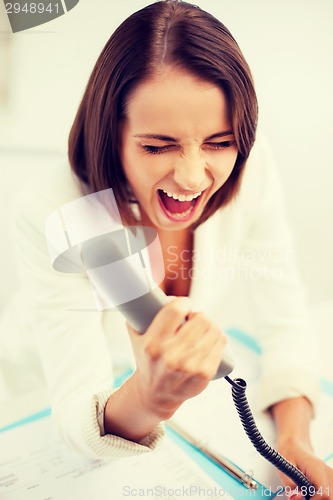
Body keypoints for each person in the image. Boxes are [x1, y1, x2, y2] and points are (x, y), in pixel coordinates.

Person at [1, 0, 332, 496]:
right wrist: (147, 398)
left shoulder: (251, 165)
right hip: (34, 407)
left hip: (177, 421)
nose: (194, 177)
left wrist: (292, 440)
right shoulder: (54, 210)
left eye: (219, 143)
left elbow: (284, 320)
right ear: (110, 134)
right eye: (157, 147)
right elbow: (74, 417)